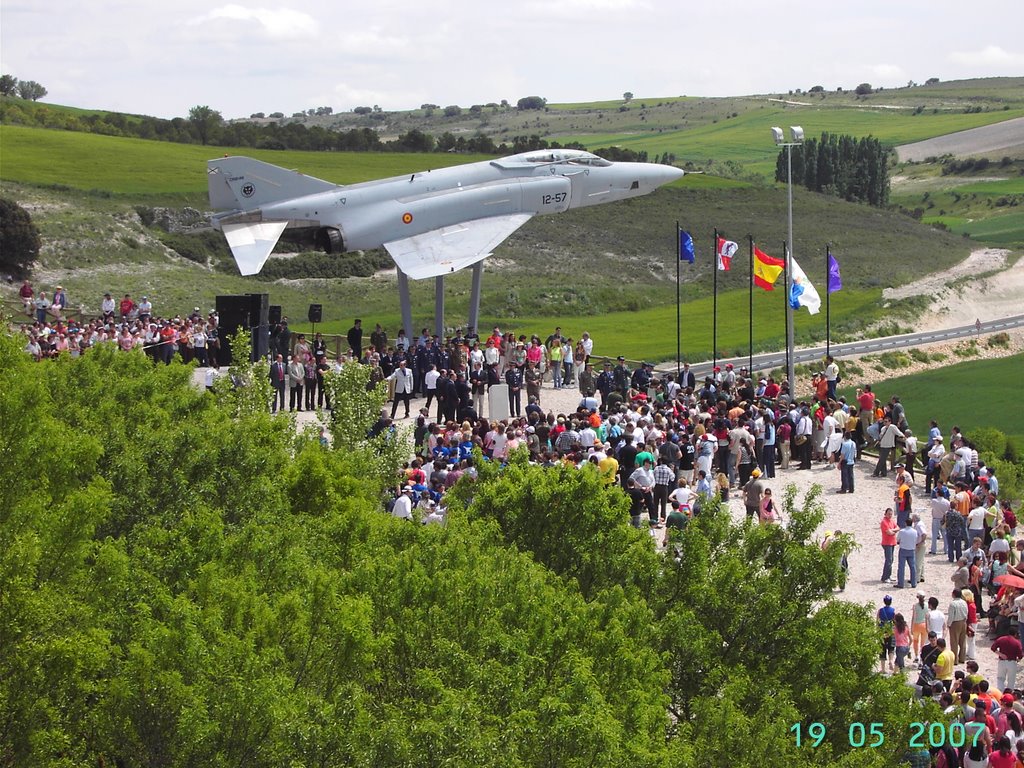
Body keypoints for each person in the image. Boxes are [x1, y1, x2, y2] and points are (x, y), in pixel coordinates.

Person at [948, 588, 969, 665]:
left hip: (955, 623)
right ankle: (962, 658)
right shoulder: (964, 602)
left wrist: (949, 624)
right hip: (963, 622)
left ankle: (955, 660)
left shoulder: (953, 604)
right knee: (962, 641)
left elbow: (951, 616)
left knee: (954, 642)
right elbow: (967, 612)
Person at [896, 516, 919, 589]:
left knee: (901, 567)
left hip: (903, 549)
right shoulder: (915, 531)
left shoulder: (902, 531)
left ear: (906, 523)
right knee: (912, 567)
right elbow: (916, 540)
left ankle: (900, 583)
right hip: (911, 550)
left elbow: (898, 540)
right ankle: (913, 583)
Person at [878, 595, 896, 674]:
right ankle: (891, 661)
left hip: (882, 631)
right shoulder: (893, 611)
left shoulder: (880, 610)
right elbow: (895, 622)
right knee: (891, 647)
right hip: (890, 631)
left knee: (882, 649)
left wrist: (878, 631)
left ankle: (883, 669)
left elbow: (877, 621)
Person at [881, 508, 899, 583]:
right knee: (888, 560)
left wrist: (893, 530)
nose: (890, 515)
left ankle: (888, 575)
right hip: (887, 543)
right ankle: (885, 577)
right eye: (889, 514)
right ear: (885, 514)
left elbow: (898, 528)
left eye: (891, 514)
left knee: (891, 560)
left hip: (892, 542)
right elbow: (889, 532)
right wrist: (893, 531)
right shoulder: (884, 522)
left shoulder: (892, 521)